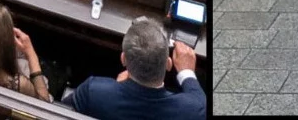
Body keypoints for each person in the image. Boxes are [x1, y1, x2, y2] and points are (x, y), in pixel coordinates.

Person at [63, 19, 205, 120]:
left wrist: (115, 88)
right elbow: (199, 102)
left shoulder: (93, 91)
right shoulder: (192, 111)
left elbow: (62, 109)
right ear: (168, 64)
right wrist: (187, 72)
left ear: (123, 59)